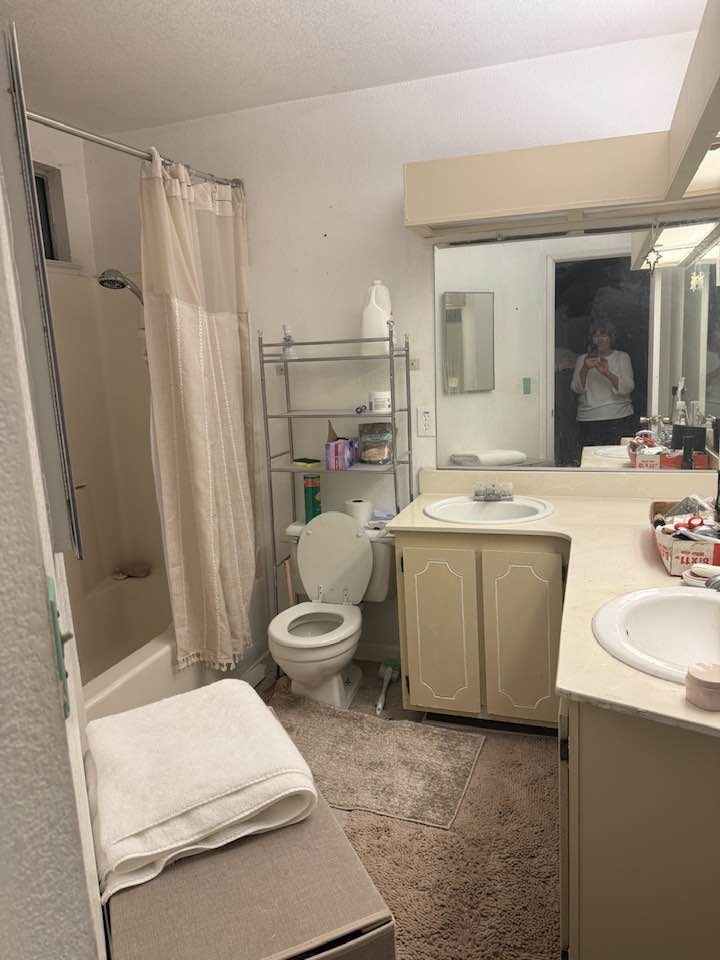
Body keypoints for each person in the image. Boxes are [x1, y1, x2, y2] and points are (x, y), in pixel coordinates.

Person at [570, 321, 635, 447]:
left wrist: (607, 373)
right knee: (590, 463)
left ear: (611, 338)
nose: (599, 339)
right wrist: (585, 368)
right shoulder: (582, 360)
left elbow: (627, 388)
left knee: (618, 462)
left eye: (603, 335)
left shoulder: (622, 357)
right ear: (591, 339)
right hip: (589, 419)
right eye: (595, 336)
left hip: (619, 417)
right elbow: (576, 389)